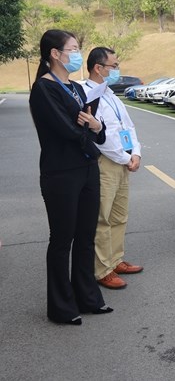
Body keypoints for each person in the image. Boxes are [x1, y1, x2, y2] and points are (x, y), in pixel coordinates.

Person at [29, 29, 112, 325]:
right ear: (55, 53)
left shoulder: (76, 88)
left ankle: (88, 298)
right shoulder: (43, 88)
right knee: (62, 239)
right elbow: (65, 130)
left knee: (86, 237)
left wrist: (94, 126)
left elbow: (95, 126)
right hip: (61, 173)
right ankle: (61, 307)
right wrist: (89, 128)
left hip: (87, 168)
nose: (77, 54)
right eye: (73, 49)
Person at [84, 47, 143, 290]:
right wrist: (124, 157)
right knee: (103, 218)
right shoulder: (88, 95)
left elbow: (128, 127)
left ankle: (116, 259)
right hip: (107, 163)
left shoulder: (110, 94)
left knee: (119, 216)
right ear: (98, 68)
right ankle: (102, 269)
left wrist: (136, 152)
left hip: (124, 161)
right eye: (114, 66)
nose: (117, 70)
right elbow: (101, 137)